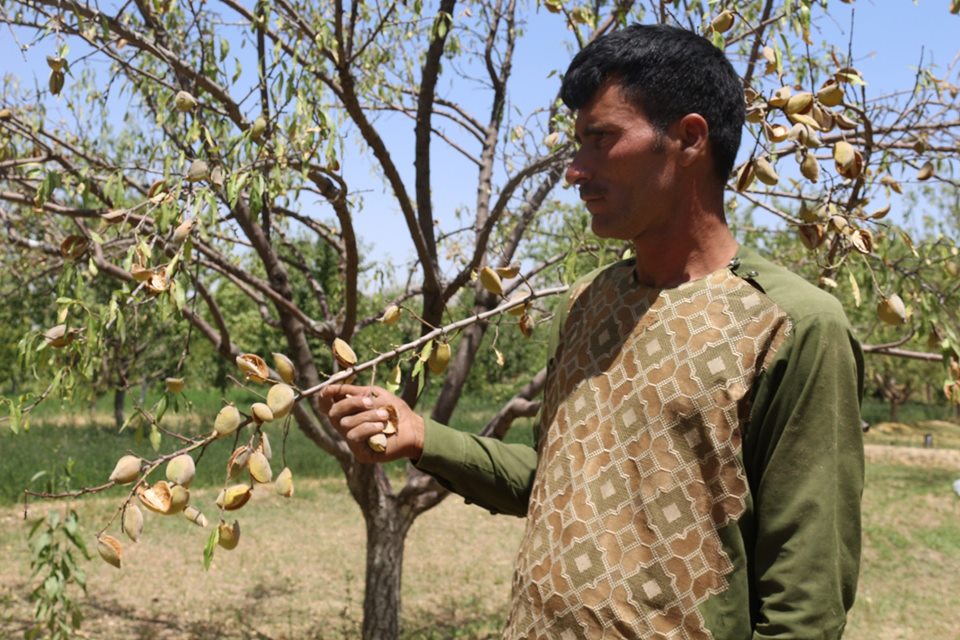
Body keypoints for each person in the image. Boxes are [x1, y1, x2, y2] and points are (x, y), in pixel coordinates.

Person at [323, 24, 864, 640]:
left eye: (600, 139)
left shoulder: (792, 326)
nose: (575, 172)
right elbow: (552, 479)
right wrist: (423, 437)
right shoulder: (588, 303)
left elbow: (806, 600)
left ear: (688, 139)